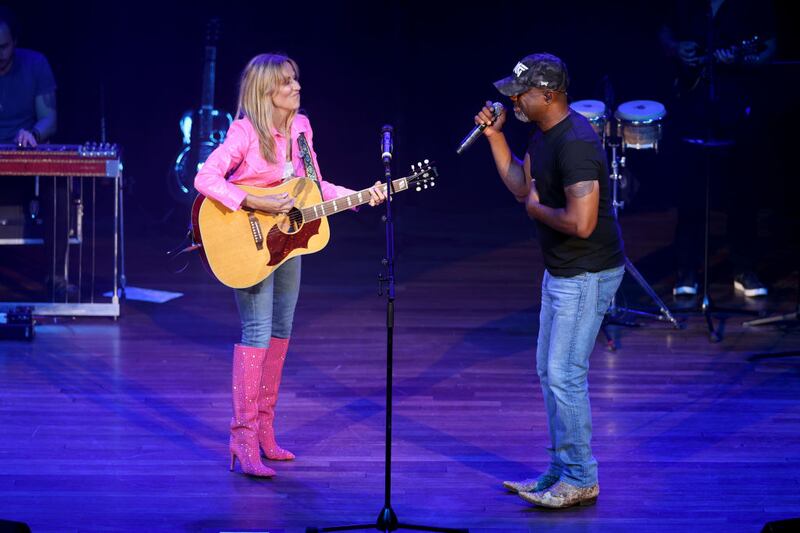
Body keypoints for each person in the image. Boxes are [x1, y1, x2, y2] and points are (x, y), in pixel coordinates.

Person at [194, 53, 386, 478]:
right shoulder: (244, 132)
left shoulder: (301, 129)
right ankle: (241, 439)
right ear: (266, 92)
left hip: (287, 242)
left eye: (296, 79)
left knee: (281, 332)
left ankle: (264, 432)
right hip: (248, 242)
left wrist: (360, 194)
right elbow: (205, 178)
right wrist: (256, 199)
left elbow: (313, 188)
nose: (297, 87)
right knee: (257, 331)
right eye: (286, 83)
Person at [475, 53, 624, 508]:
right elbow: (523, 185)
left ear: (549, 95)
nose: (514, 100)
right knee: (550, 372)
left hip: (587, 271)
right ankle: (561, 470)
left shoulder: (575, 142)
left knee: (565, 375)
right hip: (562, 268)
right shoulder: (542, 136)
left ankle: (580, 476)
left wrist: (538, 211)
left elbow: (581, 222)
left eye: (521, 94)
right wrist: (495, 136)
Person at [660, 0, 776, 298]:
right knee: (691, 194)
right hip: (692, 107)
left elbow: (768, 44)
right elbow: (663, 31)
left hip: (737, 106)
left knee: (743, 192)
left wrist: (748, 59)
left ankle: (744, 268)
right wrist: (677, 48)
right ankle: (687, 269)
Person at [0, 6, 68, 298]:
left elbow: (49, 118)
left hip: (24, 163)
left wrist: (34, 134)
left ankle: (56, 276)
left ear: (15, 42)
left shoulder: (35, 64)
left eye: (2, 46)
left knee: (59, 187)